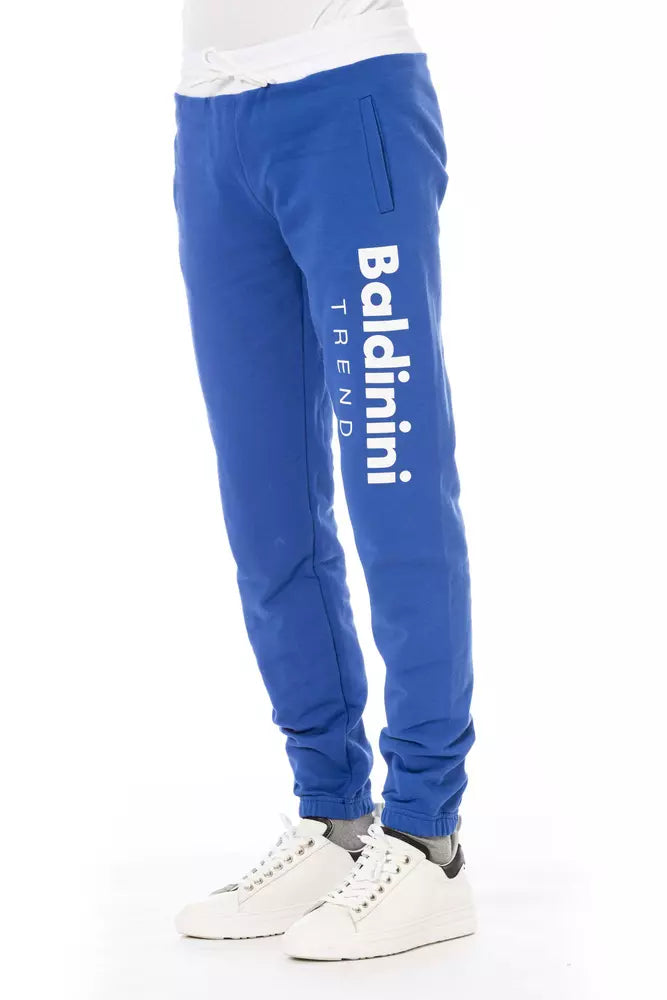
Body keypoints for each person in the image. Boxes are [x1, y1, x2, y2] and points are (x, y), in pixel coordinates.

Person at [173, 0, 475, 960]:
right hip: (210, 116)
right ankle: (334, 816)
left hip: (345, 97)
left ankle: (426, 841)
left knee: (395, 484)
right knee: (264, 503)